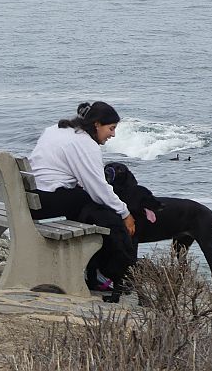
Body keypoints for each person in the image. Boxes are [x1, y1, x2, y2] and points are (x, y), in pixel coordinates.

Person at [29, 101, 137, 298]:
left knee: (91, 205)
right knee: (104, 212)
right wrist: (125, 213)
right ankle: (108, 272)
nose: (113, 134)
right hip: (46, 202)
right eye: (111, 128)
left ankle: (93, 268)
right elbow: (98, 188)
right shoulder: (85, 143)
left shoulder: (56, 130)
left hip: (31, 198)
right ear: (97, 124)